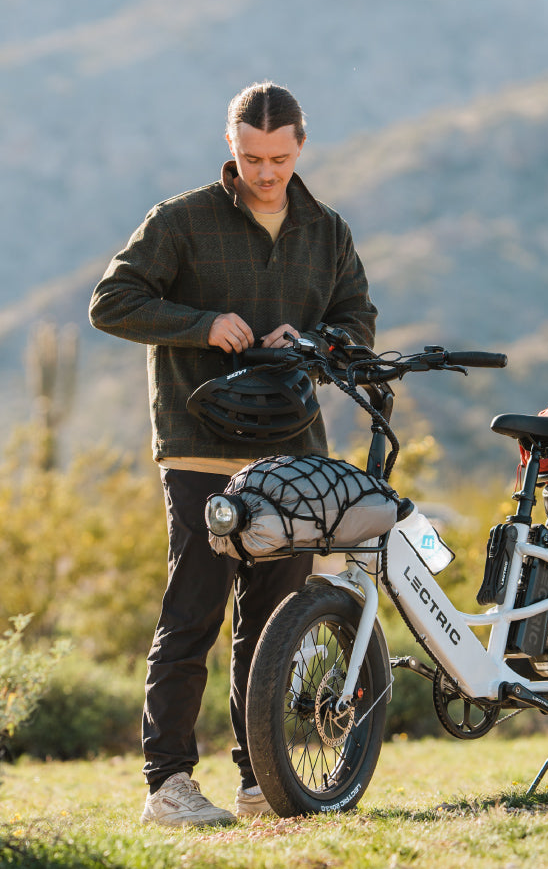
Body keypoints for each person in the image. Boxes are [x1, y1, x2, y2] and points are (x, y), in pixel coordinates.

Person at [89, 81, 377, 827]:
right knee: (193, 615)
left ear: (301, 149)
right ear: (231, 144)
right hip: (199, 452)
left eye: (279, 158)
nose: (266, 173)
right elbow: (111, 303)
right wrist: (202, 322)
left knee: (275, 619)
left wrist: (313, 344)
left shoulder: (329, 232)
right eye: (252, 157)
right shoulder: (180, 221)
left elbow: (356, 323)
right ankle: (169, 785)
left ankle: (260, 780)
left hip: (291, 457)